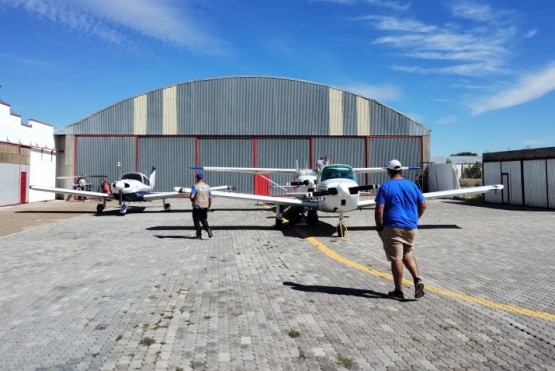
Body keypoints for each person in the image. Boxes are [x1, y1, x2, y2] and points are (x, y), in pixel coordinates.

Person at [374, 159, 426, 300]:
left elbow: (379, 210)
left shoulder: (385, 187)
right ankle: (417, 279)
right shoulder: (412, 185)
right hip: (411, 227)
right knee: (407, 254)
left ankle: (398, 290)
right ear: (401, 170)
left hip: (393, 227)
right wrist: (415, 219)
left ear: (389, 171)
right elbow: (423, 205)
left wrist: (379, 226)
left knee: (396, 258)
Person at [190, 173, 213, 239]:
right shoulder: (207, 187)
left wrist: (191, 199)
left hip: (197, 206)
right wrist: (209, 206)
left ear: (197, 179)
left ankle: (199, 234)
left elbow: (192, 196)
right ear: (202, 179)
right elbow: (210, 198)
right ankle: (208, 229)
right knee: (203, 219)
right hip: (205, 206)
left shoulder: (195, 186)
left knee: (196, 220)